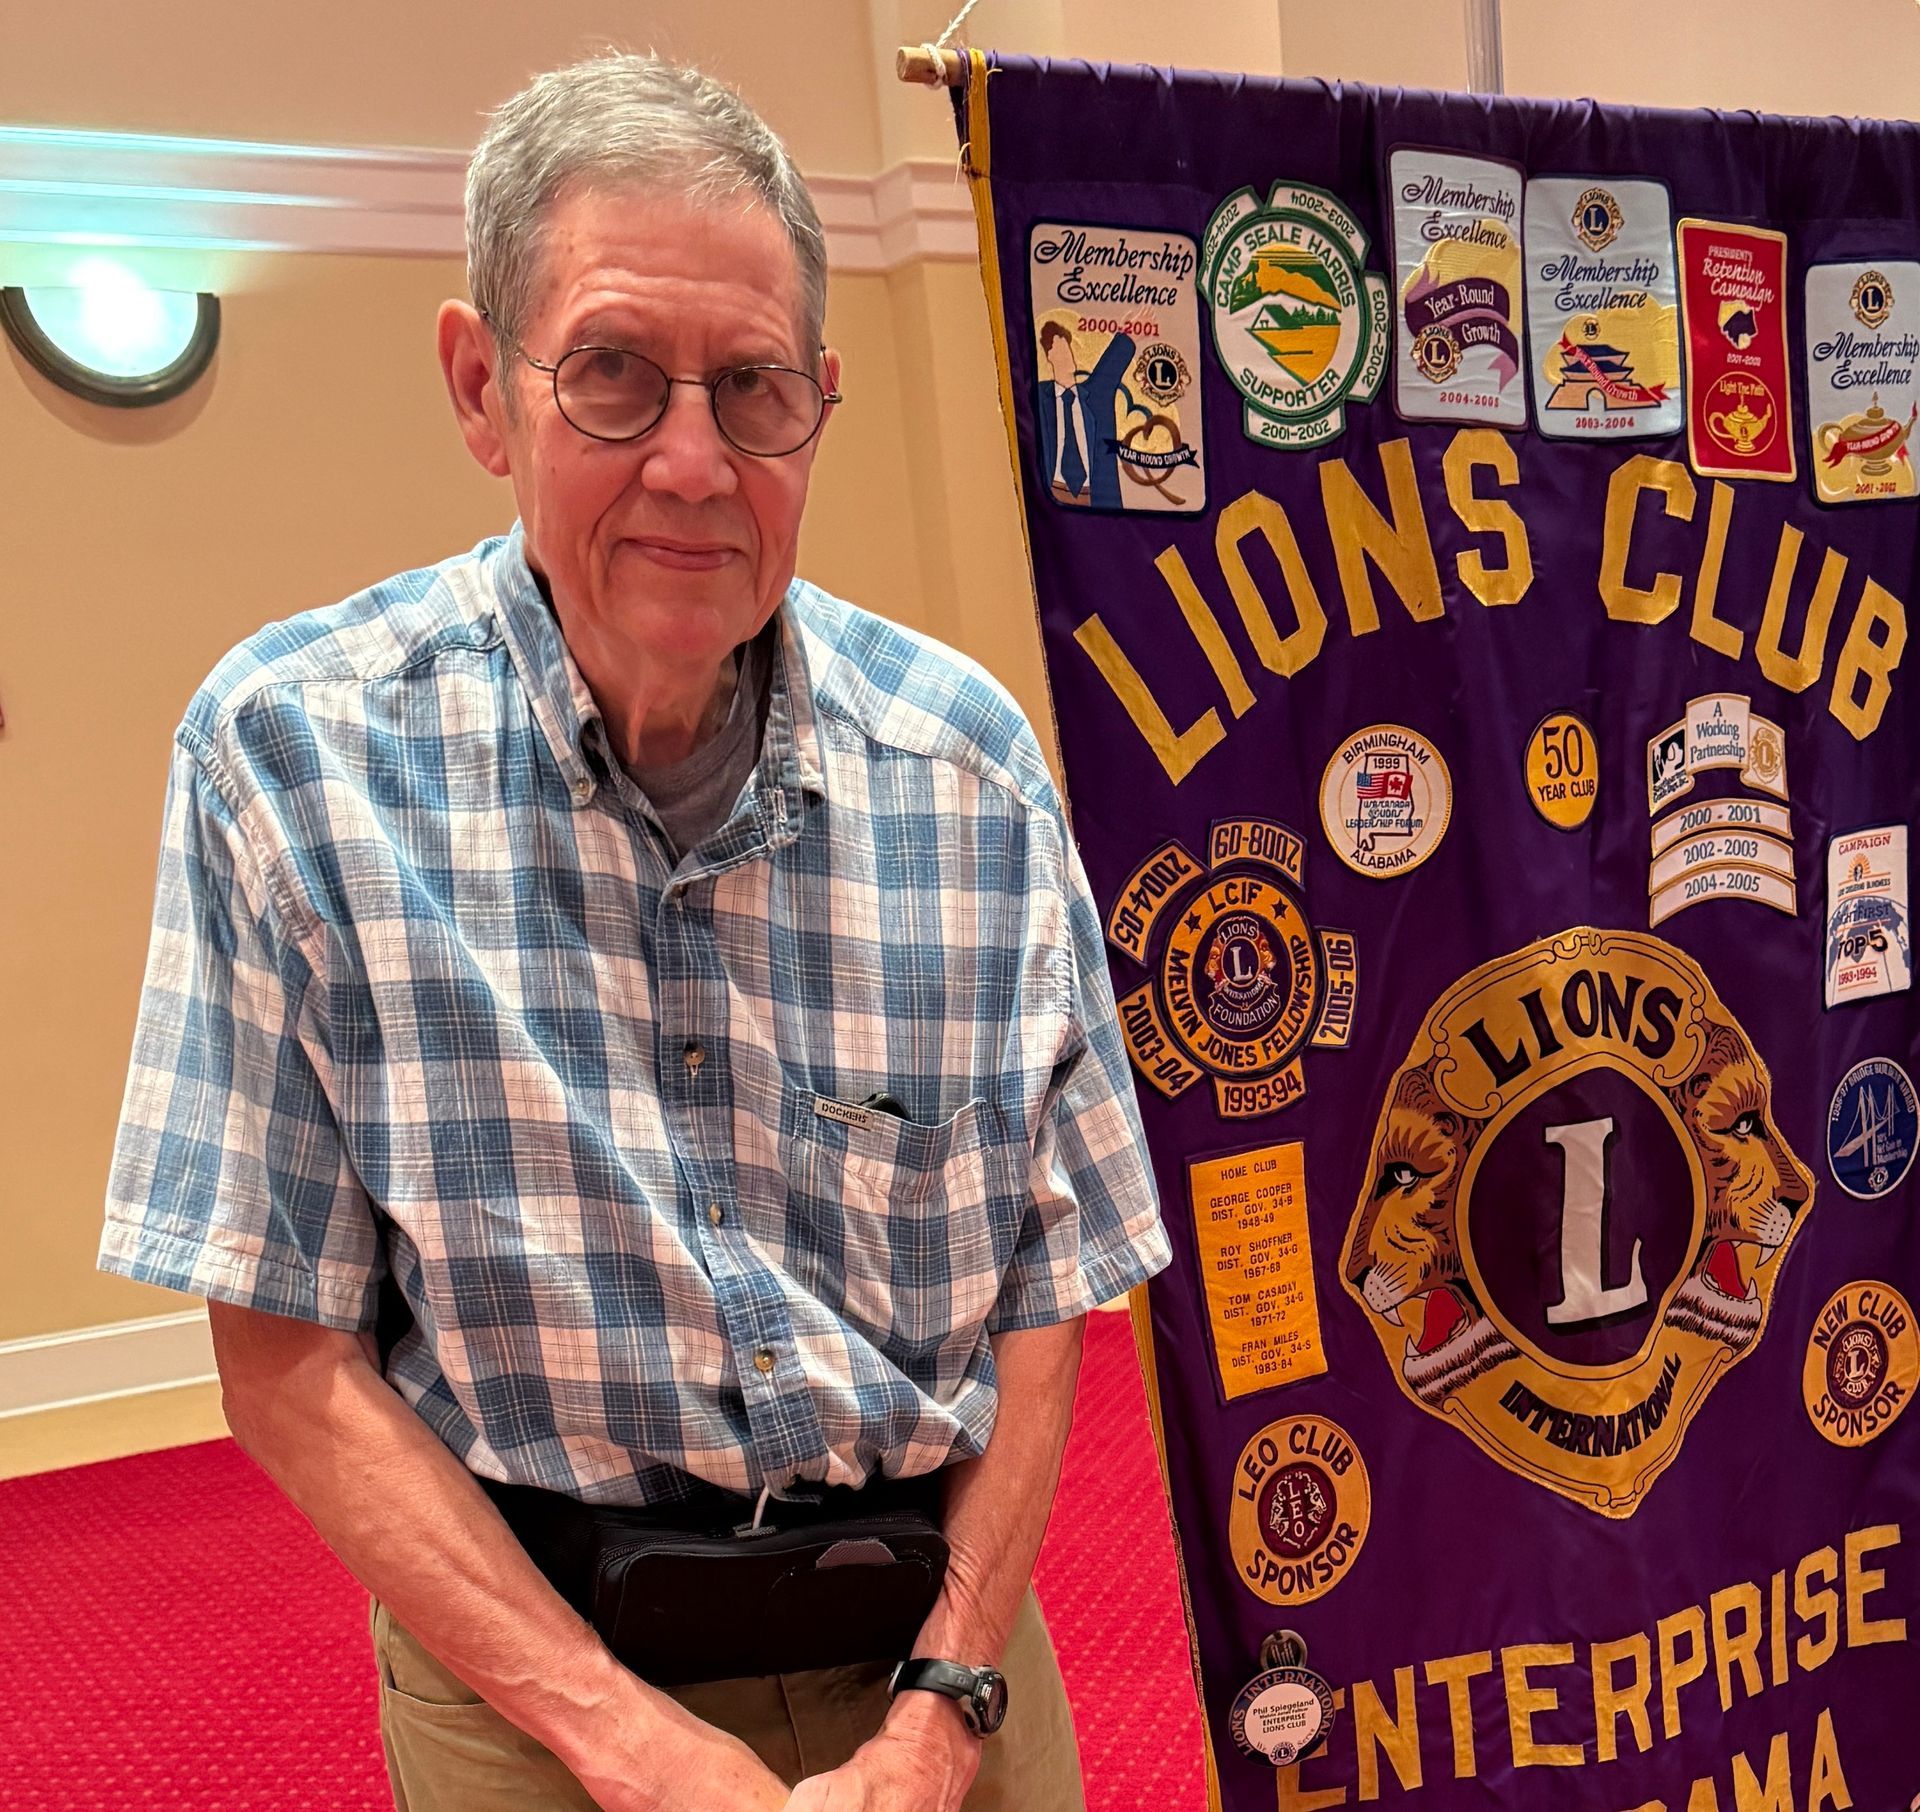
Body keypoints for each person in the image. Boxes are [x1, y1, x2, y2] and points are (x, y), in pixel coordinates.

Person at [97, 49, 1169, 1812]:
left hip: (940, 1655)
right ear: (482, 387)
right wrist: (624, 1739)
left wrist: (943, 1703)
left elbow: (1045, 1290)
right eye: (613, 375)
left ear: (818, 404)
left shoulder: (969, 768)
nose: (692, 459)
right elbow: (286, 1358)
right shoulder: (290, 765)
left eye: (750, 387)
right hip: (533, 1679)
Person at [1033, 321, 1133, 509]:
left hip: (1095, 500)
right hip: (1052, 500)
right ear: (1049, 356)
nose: (1068, 355)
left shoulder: (1095, 395)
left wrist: (1131, 331)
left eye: (1068, 348)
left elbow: (1113, 364)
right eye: (1060, 349)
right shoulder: (1038, 397)